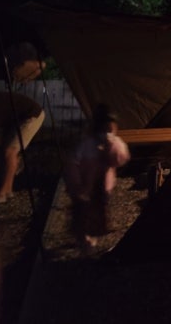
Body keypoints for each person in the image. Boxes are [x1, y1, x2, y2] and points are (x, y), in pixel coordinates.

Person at [64, 103, 130, 252]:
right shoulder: (86, 144)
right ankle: (83, 236)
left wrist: (111, 147)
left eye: (111, 129)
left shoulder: (116, 143)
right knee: (82, 211)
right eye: (104, 128)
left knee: (98, 211)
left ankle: (93, 233)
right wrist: (75, 183)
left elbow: (121, 159)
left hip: (103, 186)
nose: (108, 132)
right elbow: (72, 162)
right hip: (85, 185)